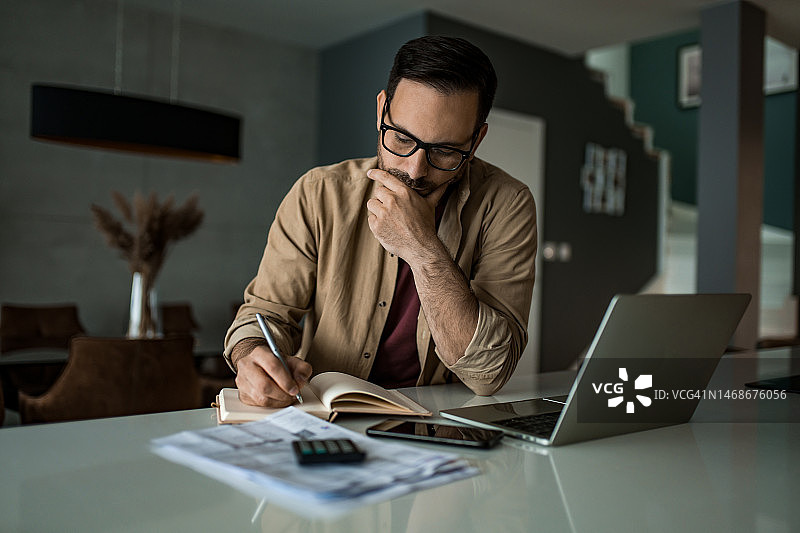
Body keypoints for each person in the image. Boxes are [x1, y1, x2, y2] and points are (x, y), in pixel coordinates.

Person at [224, 35, 537, 407]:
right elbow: (266, 313)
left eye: (445, 151)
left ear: (476, 140)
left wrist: (422, 249)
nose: (415, 170)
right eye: (402, 138)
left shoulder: (508, 204)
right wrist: (252, 354)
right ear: (381, 111)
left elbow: (490, 371)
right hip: (327, 418)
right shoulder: (318, 193)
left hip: (442, 427)